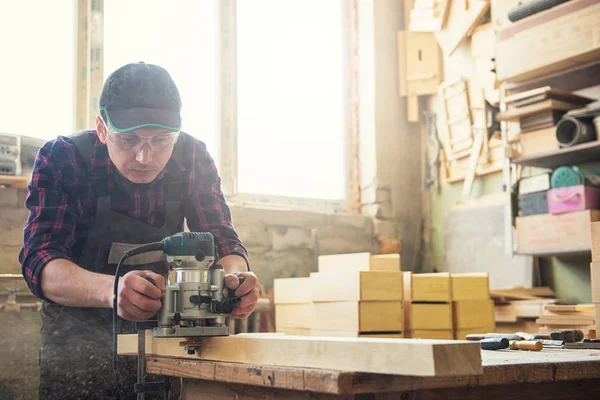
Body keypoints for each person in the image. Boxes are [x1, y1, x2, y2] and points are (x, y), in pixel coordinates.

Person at [19, 62, 260, 399]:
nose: (145, 157)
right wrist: (112, 290)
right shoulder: (63, 158)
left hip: (162, 344)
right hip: (76, 346)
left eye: (161, 140)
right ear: (102, 128)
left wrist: (236, 279)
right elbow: (39, 261)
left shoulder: (192, 158)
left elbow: (222, 239)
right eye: (128, 140)